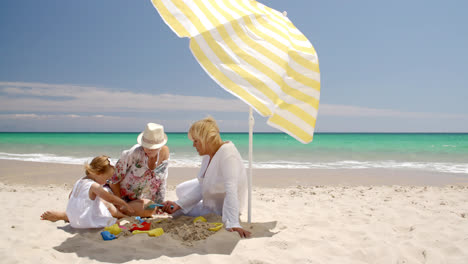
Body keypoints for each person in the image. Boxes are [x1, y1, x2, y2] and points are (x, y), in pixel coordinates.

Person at [162, 117, 251, 238]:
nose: (193, 145)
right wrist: (179, 204)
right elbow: (202, 184)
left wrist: (233, 223)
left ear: (206, 139)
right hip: (212, 191)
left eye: (196, 141)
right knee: (180, 191)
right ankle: (183, 205)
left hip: (221, 207)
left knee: (177, 213)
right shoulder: (208, 154)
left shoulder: (228, 154)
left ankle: (193, 207)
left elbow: (232, 190)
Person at [41, 155, 135, 228]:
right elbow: (110, 199)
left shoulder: (80, 181)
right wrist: (124, 204)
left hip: (74, 220)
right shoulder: (94, 186)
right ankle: (122, 216)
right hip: (85, 222)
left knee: (96, 203)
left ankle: (66, 215)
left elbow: (70, 196)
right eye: (106, 179)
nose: (107, 182)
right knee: (107, 207)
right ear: (97, 173)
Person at [109, 123, 170, 217]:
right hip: (121, 198)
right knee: (147, 209)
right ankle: (118, 211)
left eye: (153, 147)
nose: (149, 149)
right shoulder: (133, 153)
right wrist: (120, 204)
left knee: (151, 208)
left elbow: (162, 181)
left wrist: (160, 205)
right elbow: (113, 181)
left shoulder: (164, 153)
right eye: (146, 146)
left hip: (142, 200)